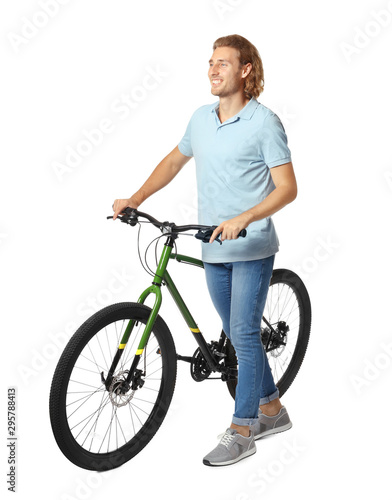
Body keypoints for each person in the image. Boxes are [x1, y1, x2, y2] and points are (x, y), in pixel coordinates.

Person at [112, 34, 297, 467]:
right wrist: (136, 199)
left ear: (246, 70)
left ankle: (242, 430)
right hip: (212, 245)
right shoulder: (200, 118)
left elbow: (288, 189)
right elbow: (174, 161)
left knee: (245, 336)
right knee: (236, 333)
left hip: (250, 246)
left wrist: (244, 218)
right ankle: (273, 410)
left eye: (223, 63)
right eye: (210, 63)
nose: (213, 70)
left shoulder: (264, 123)